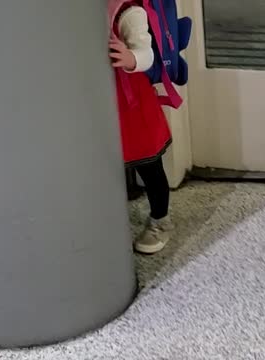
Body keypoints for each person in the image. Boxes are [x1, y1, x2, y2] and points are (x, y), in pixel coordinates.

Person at [108, 0, 174, 254]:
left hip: (132, 106)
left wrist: (131, 58)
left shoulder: (128, 11)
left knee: (150, 167)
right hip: (101, 104)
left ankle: (161, 220)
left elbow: (147, 55)